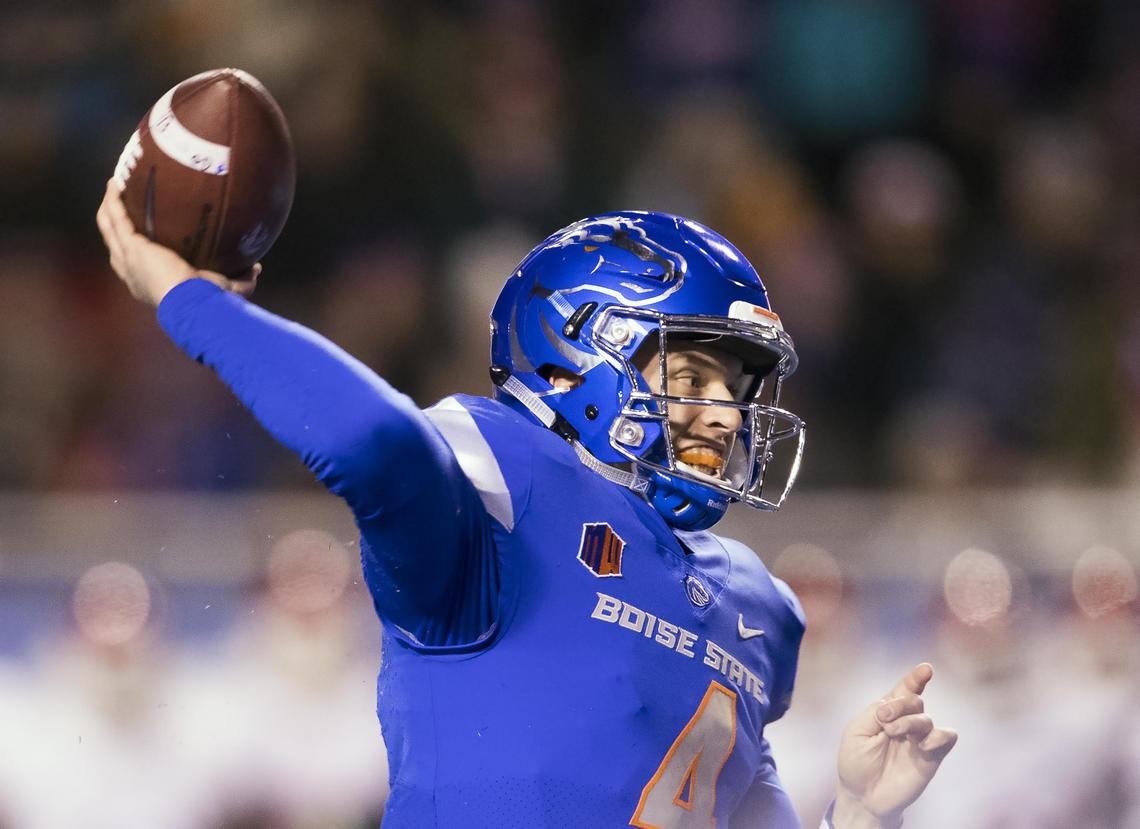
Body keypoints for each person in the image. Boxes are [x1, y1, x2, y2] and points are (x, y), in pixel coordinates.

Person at [97, 182, 957, 828]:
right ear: (576, 358)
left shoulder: (756, 605)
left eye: (734, 390)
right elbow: (373, 443)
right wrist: (192, 298)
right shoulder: (502, 491)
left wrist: (860, 813)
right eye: (692, 377)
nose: (724, 416)